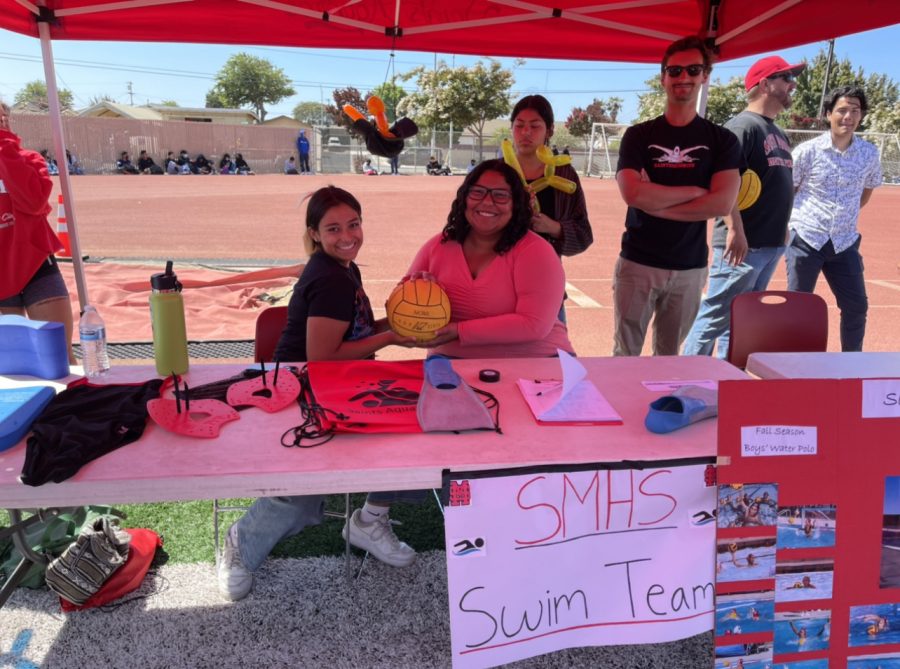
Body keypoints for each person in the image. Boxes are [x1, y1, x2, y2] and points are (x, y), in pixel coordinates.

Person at [217, 186, 418, 601]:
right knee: (305, 494)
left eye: (354, 224)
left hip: (338, 383)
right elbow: (323, 357)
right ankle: (240, 540)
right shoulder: (330, 278)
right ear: (314, 232)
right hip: (300, 391)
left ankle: (369, 518)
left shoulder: (343, 267)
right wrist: (394, 335)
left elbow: (356, 333)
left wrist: (403, 322)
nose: (347, 235)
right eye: (333, 228)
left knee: (408, 446)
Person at [613, 36, 741, 356]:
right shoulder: (639, 135)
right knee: (624, 355)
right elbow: (631, 192)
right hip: (638, 262)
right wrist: (695, 193)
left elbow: (722, 203)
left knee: (668, 360)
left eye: (692, 69)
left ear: (705, 76)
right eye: (674, 71)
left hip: (689, 267)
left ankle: (659, 407)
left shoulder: (722, 140)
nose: (682, 77)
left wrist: (653, 200)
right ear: (663, 77)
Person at [682, 55, 805, 357]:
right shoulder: (742, 127)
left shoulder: (777, 131)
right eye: (786, 78)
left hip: (770, 243)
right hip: (743, 244)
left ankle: (724, 380)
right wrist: (736, 229)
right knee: (715, 317)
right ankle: (684, 380)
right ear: (765, 84)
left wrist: (782, 230)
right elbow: (722, 181)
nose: (792, 84)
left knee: (739, 322)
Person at [406, 159, 574, 359]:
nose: (486, 202)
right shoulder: (437, 247)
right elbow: (402, 307)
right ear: (464, 198)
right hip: (450, 364)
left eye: (500, 196)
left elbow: (534, 324)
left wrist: (459, 331)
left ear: (516, 204)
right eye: (477, 192)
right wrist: (416, 291)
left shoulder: (536, 251)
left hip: (537, 362)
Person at [787, 85, 883, 351]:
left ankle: (851, 361)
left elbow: (866, 192)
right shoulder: (808, 151)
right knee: (798, 308)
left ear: (861, 116)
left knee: (856, 306)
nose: (848, 116)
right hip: (806, 239)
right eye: (842, 110)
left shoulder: (869, 154)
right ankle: (794, 364)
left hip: (844, 242)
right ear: (829, 114)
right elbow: (789, 192)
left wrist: (843, 216)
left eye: (855, 110)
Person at [0, 99, 75, 363]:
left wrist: (4, 147)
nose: (2, 123)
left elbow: (33, 201)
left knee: (59, 356)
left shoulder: (28, 159)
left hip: (36, 266)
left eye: (3, 118)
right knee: (12, 363)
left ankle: (73, 403)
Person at [508, 95, 592, 322]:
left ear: (549, 131)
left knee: (550, 353)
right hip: (498, 282)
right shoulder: (497, 172)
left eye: (535, 126)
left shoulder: (564, 174)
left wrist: (553, 227)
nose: (526, 132)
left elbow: (584, 234)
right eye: (519, 125)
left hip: (545, 284)